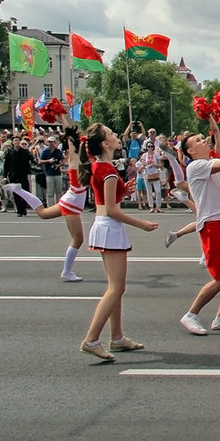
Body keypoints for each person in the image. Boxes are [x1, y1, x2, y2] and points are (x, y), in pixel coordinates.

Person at [79, 123, 159, 362]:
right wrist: (141, 224)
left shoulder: (101, 167)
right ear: (105, 144)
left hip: (103, 225)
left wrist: (123, 192)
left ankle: (117, 338)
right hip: (110, 227)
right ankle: (91, 339)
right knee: (116, 288)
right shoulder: (109, 171)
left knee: (116, 287)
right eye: (112, 134)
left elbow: (107, 199)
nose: (116, 136)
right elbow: (113, 210)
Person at [3, 116, 89, 282]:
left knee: (42, 213)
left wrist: (61, 118)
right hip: (73, 201)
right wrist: (62, 119)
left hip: (72, 198)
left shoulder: (83, 158)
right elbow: (71, 135)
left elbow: (71, 134)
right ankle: (66, 271)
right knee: (78, 239)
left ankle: (19, 190)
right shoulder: (75, 158)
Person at [39, 135, 65, 207]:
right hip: (49, 173)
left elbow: (63, 160)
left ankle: (58, 206)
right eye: (49, 142)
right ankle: (50, 206)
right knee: (50, 192)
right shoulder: (45, 151)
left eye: (52, 142)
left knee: (59, 191)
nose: (51, 143)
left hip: (57, 173)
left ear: (55, 142)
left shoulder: (58, 151)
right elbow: (40, 161)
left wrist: (59, 165)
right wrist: (48, 161)